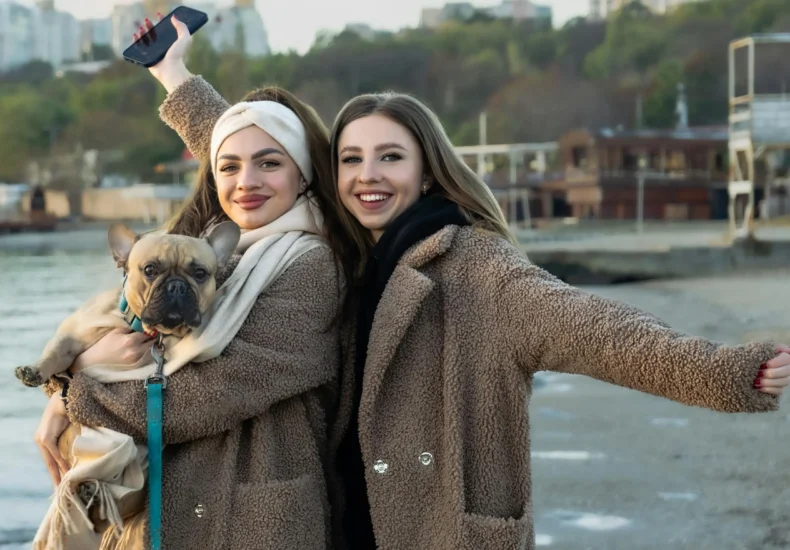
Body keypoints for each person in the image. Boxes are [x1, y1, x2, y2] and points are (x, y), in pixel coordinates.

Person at [55, 15, 790, 550]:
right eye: (351, 160)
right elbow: (250, 148)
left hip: (432, 523)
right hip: (353, 515)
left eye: (391, 158)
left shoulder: (469, 266)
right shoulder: (327, 236)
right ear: (327, 174)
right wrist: (173, 75)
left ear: (428, 168)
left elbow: (598, 329)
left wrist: (729, 371)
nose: (367, 176)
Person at [34, 87, 349, 548]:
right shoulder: (193, 252)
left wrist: (72, 394)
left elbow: (214, 392)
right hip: (156, 513)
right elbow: (99, 337)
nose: (246, 182)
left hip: (248, 521)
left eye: (270, 164)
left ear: (302, 172)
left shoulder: (313, 264)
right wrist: (72, 371)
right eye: (229, 167)